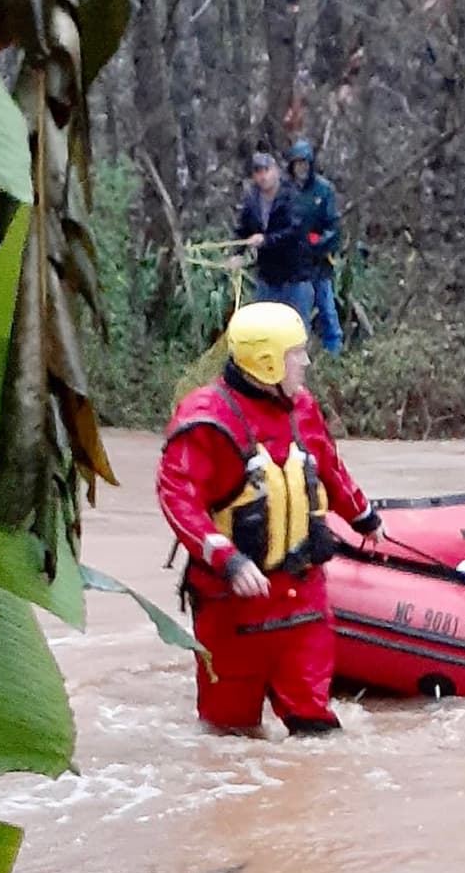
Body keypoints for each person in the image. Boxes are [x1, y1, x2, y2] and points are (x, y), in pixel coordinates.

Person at [156, 302, 384, 735]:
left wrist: (363, 516)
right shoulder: (206, 421)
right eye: (296, 353)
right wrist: (228, 559)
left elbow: (328, 468)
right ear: (267, 362)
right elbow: (178, 497)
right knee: (227, 734)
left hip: (301, 600)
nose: (306, 362)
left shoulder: (301, 407)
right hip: (233, 608)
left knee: (318, 731)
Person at [234, 150, 312, 328]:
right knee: (266, 331)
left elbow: (295, 231)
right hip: (267, 277)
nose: (263, 177)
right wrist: (237, 253)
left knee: (296, 331)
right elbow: (242, 230)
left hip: (294, 277)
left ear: (276, 170)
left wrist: (266, 240)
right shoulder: (251, 200)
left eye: (266, 170)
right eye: (258, 172)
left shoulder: (292, 195)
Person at [287, 138, 344, 355]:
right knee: (299, 315)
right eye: (297, 163)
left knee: (327, 310)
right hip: (296, 266)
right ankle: (301, 360)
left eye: (305, 163)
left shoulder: (324, 190)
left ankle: (335, 355)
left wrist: (318, 243)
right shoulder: (286, 191)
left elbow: (334, 227)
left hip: (319, 263)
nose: (301, 168)